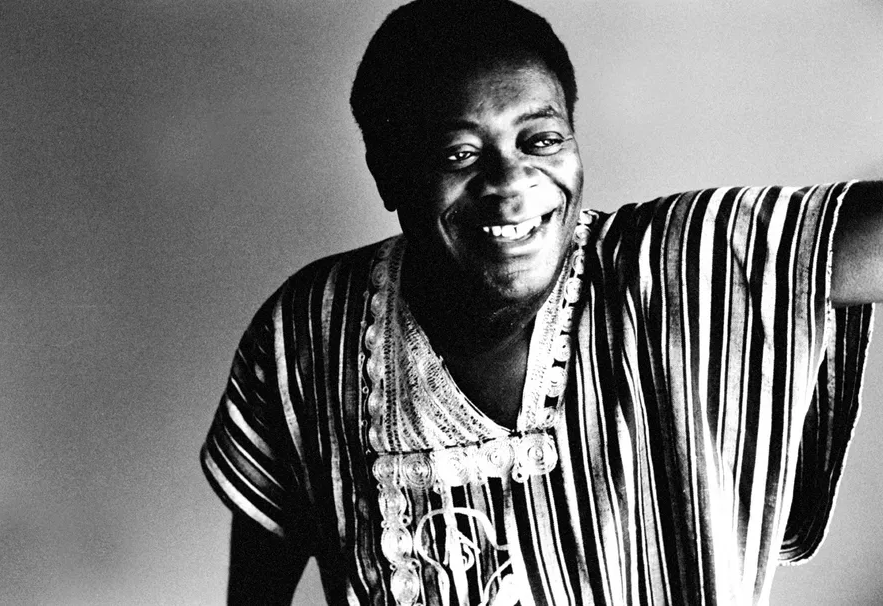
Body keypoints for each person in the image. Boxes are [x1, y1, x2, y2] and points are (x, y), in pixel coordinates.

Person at [200, 1, 882, 604]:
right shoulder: (309, 330)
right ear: (389, 173)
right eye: (459, 153)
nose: (511, 180)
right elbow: (261, 574)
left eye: (542, 140)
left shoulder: (678, 268)